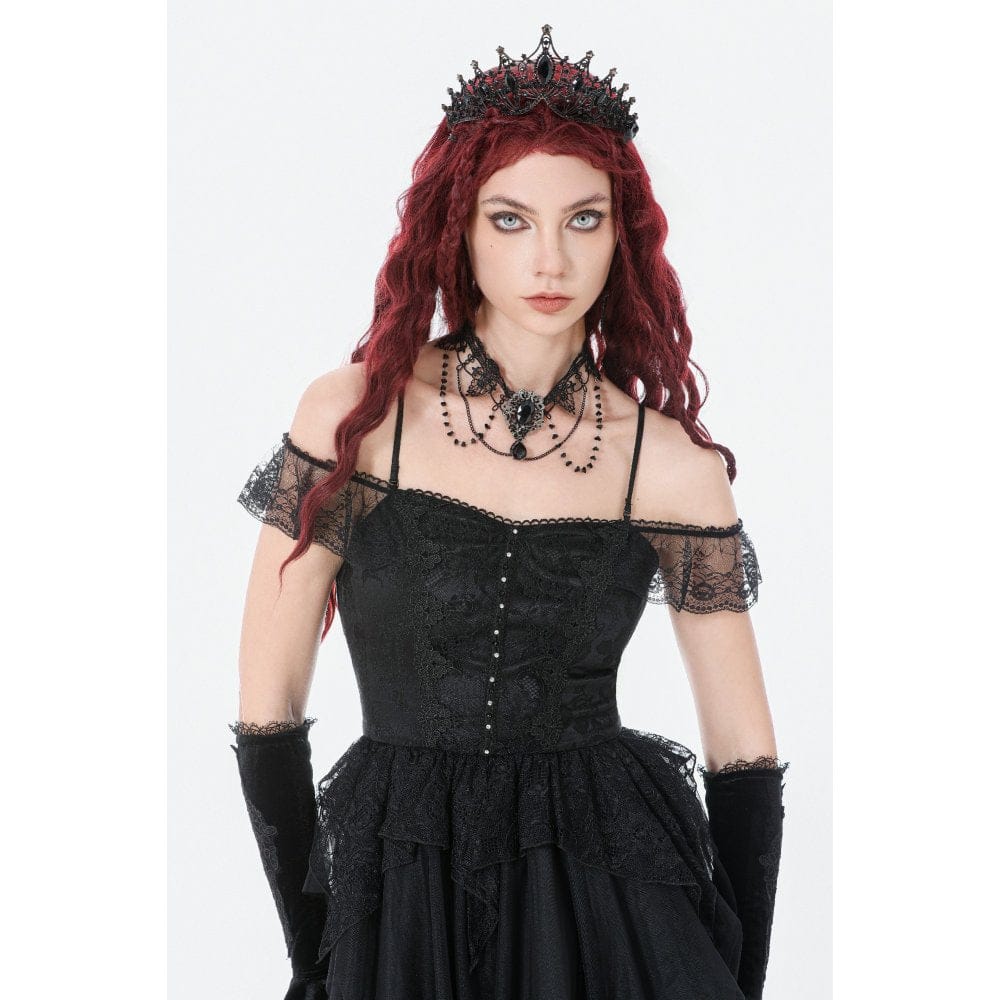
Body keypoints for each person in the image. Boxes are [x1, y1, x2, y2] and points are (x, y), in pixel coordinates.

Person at [229, 24, 789, 1000]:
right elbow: (265, 707)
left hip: (609, 912)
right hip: (398, 906)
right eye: (511, 219)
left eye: (584, 219)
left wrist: (740, 985)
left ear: (622, 234)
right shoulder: (352, 418)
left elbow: (745, 757)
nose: (550, 260)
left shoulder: (670, 465)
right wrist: (313, 951)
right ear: (459, 226)